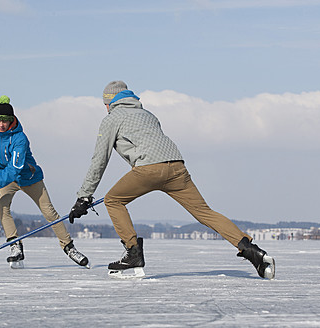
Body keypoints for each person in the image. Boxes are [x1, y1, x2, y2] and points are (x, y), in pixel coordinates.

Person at [68, 81, 275, 279]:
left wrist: (83, 197)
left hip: (149, 169)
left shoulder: (112, 119)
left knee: (113, 200)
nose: (105, 108)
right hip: (177, 166)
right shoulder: (148, 115)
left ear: (110, 102)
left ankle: (133, 253)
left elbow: (99, 160)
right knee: (204, 212)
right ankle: (251, 250)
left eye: (105, 104)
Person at [0, 95, 89, 269]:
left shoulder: (20, 139)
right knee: (2, 209)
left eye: (5, 121)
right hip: (5, 179)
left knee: (49, 212)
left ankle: (68, 247)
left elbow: (14, 169)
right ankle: (15, 245)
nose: (1, 125)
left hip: (28, 178)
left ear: (12, 120)